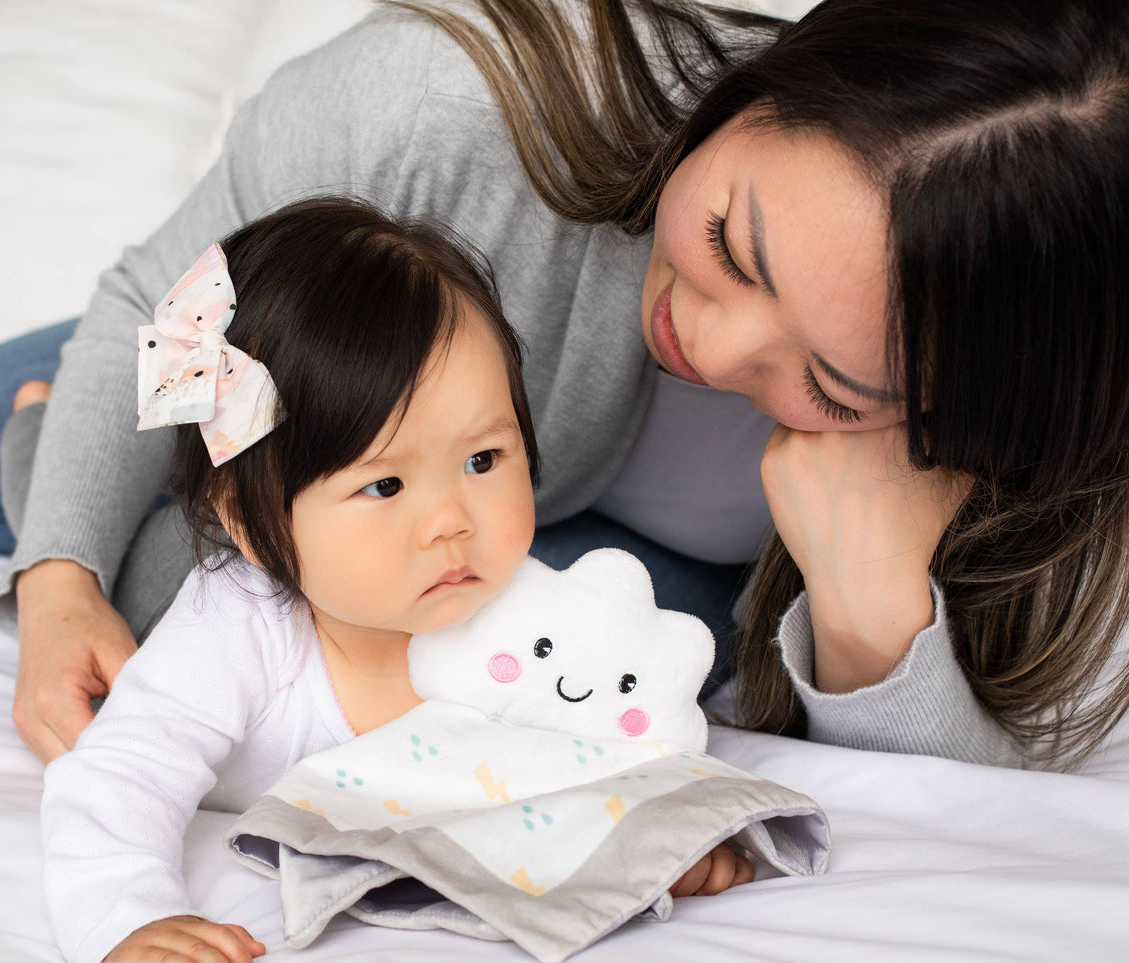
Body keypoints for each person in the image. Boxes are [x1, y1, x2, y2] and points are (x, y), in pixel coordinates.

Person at [0, 0, 1129, 772]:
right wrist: (56, 577)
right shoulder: (443, 101)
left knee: (568, 663)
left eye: (828, 379)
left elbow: (973, 806)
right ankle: (71, 416)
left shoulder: (996, 431)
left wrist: (876, 615)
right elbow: (162, 320)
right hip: (302, 350)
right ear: (765, 86)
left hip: (595, 550)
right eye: (728, 247)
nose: (717, 348)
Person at [37, 196, 752, 963]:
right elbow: (119, 773)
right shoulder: (235, 624)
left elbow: (607, 735)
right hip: (192, 546)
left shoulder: (525, 611)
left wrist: (662, 834)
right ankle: (32, 424)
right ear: (249, 518)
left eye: (483, 460)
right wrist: (125, 917)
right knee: (108, 527)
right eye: (384, 486)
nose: (452, 520)